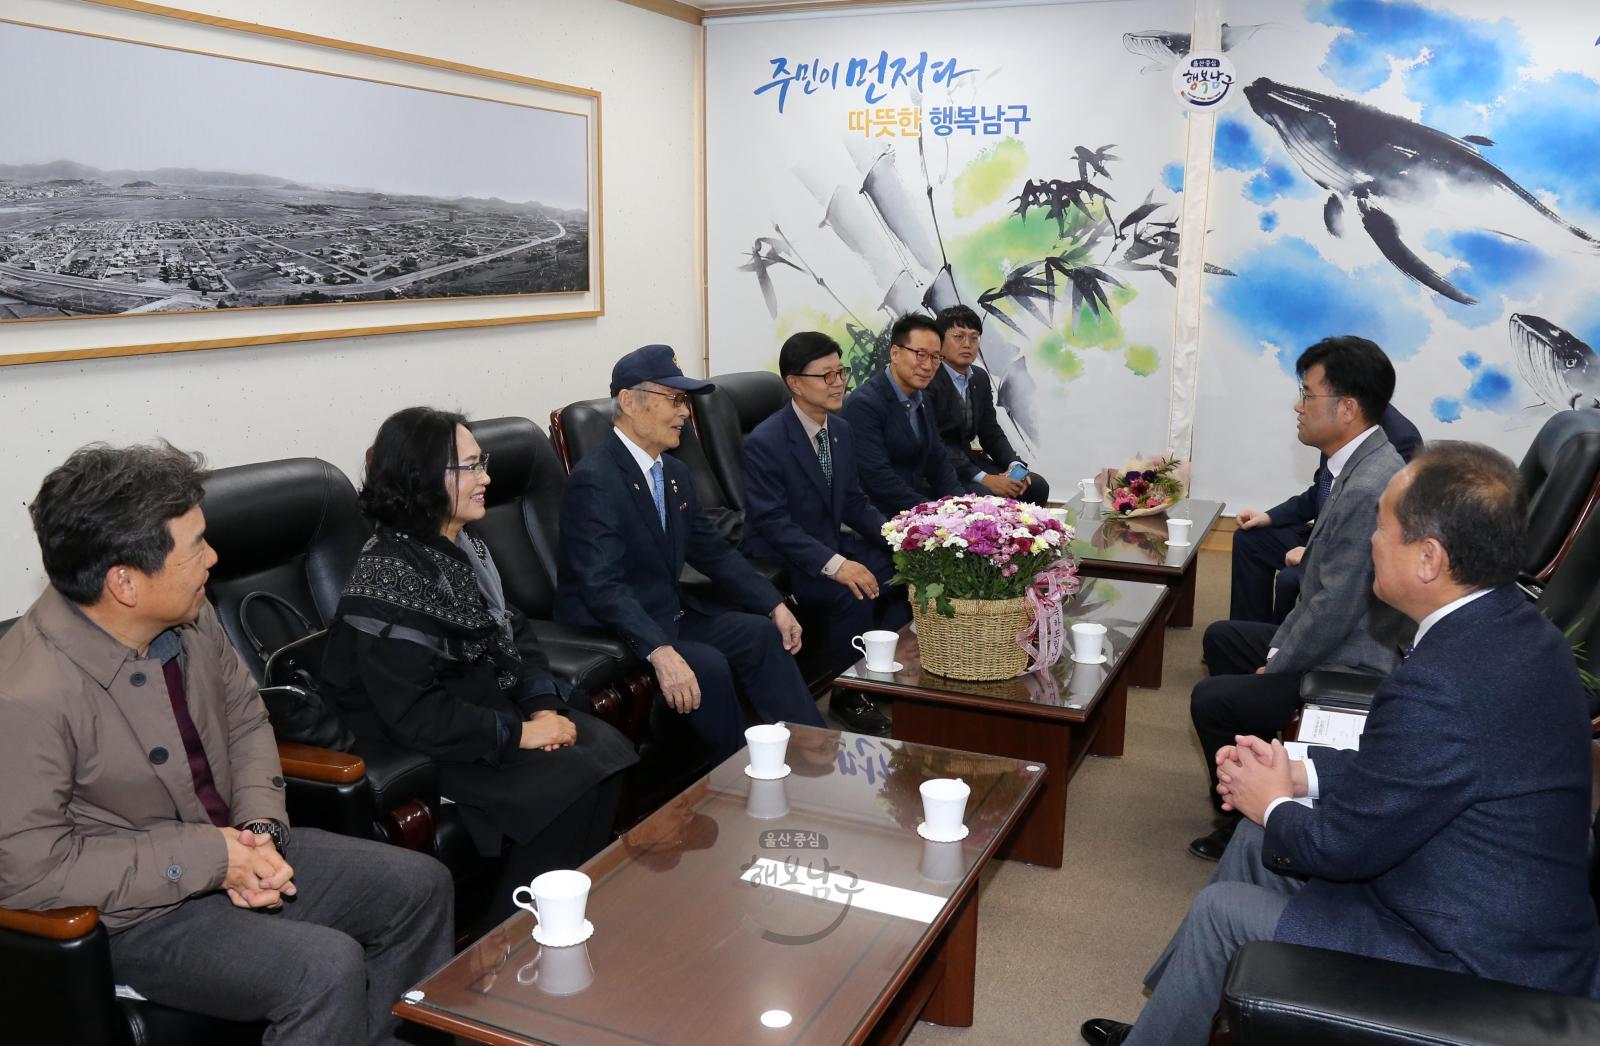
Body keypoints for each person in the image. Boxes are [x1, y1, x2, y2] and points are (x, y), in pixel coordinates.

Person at [1080, 442, 1600, 1046]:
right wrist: (1301, 773)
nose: (1371, 542)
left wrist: (1272, 800)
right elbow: (1418, 772)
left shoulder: (1446, 682)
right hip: (1477, 899)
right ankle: (1178, 1022)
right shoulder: (1510, 628)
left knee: (1225, 912)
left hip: (1468, 955)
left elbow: (1341, 849)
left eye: (1382, 528)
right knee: (1254, 838)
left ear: (1429, 558)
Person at [0, 442, 452, 1045]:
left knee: (419, 887)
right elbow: (28, 869)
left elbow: (244, 721)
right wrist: (215, 859)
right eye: (196, 548)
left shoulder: (190, 615)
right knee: (322, 967)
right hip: (135, 915)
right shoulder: (25, 695)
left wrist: (261, 829)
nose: (213, 559)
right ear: (125, 582)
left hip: (234, 848)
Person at [317, 408, 637, 923]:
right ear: (425, 477)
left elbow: (516, 633)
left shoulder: (464, 546)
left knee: (603, 750)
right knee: (569, 779)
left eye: (481, 462)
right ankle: (507, 942)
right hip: (412, 742)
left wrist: (540, 706)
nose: (487, 477)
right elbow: (414, 713)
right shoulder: (387, 576)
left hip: (477, 706)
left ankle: (568, 910)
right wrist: (518, 736)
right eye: (471, 466)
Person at [1189, 336, 1411, 861]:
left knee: (1211, 699)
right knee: (1224, 638)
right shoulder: (1354, 464)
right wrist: (1273, 655)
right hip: (1334, 635)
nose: (1298, 405)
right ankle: (1264, 758)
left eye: (1307, 394)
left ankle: (1247, 816)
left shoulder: (1369, 484)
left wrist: (1278, 662)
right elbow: (1319, 589)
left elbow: (1335, 606)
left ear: (1348, 408)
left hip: (1353, 658)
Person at [555, 345, 825, 761]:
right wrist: (659, 650)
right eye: (676, 400)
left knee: (761, 633)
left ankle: (814, 750)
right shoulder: (596, 480)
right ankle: (740, 779)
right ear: (629, 401)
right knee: (709, 665)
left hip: (667, 612)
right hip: (612, 629)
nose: (685, 412)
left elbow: (713, 552)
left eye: (686, 401)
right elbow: (602, 587)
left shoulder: (673, 474)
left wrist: (772, 605)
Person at [742, 331, 911, 737]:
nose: (839, 383)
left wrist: (901, 538)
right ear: (795, 383)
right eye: (826, 375)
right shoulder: (764, 441)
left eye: (841, 372)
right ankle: (846, 694)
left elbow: (853, 501)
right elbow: (774, 524)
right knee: (852, 590)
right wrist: (836, 565)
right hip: (783, 560)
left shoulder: (840, 430)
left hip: (828, 544)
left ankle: (878, 672)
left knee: (904, 571)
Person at [1231, 404, 1423, 624]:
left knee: (1290, 579)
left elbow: (1384, 528)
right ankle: (1248, 637)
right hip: (1324, 534)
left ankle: (1277, 653)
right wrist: (1269, 517)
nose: (1299, 406)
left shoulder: (1400, 439)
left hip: (1358, 553)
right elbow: (1321, 490)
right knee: (1251, 539)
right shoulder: (1340, 425)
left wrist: (1315, 553)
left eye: (1310, 394)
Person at [843, 313, 966, 518]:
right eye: (920, 354)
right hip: (879, 513)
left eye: (935, 357)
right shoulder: (864, 404)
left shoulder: (922, 398)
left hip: (916, 503)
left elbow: (939, 461)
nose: (928, 366)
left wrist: (963, 506)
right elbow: (878, 479)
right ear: (895, 353)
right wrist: (934, 513)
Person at [926, 305, 1050, 505]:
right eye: (959, 336)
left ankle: (1023, 536)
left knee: (1035, 486)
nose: (967, 344)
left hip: (970, 462)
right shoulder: (927, 378)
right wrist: (984, 478)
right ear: (939, 341)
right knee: (987, 498)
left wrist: (1014, 464)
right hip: (938, 468)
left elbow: (990, 431)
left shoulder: (979, 378)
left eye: (974, 338)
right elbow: (935, 443)